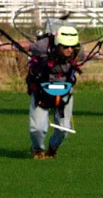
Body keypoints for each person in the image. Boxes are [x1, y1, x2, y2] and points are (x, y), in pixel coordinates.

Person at [21, 24, 84, 158]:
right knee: (38, 128)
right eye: (65, 47)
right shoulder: (43, 46)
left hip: (64, 92)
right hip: (41, 91)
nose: (69, 50)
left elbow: (88, 56)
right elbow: (24, 46)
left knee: (63, 129)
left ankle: (53, 148)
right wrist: (1, 46)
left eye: (72, 47)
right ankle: (37, 150)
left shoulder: (78, 51)